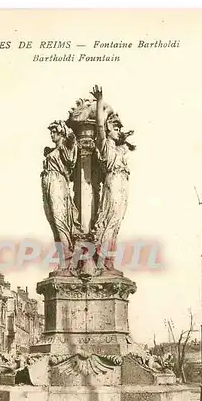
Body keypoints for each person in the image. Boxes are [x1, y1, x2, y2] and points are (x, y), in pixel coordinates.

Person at [90, 85, 135, 274]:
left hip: (122, 185)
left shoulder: (119, 148)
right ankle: (100, 261)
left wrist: (123, 138)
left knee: (116, 223)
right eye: (115, 128)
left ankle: (108, 260)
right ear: (109, 129)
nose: (119, 131)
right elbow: (100, 127)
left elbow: (124, 141)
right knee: (108, 221)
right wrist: (100, 101)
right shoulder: (105, 144)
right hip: (113, 184)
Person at [41, 120, 82, 273]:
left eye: (54, 132)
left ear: (61, 132)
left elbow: (72, 142)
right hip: (49, 184)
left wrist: (67, 130)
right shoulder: (54, 150)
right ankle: (62, 258)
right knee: (54, 222)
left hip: (58, 183)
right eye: (50, 132)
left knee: (60, 222)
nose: (52, 135)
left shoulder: (65, 148)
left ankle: (67, 258)